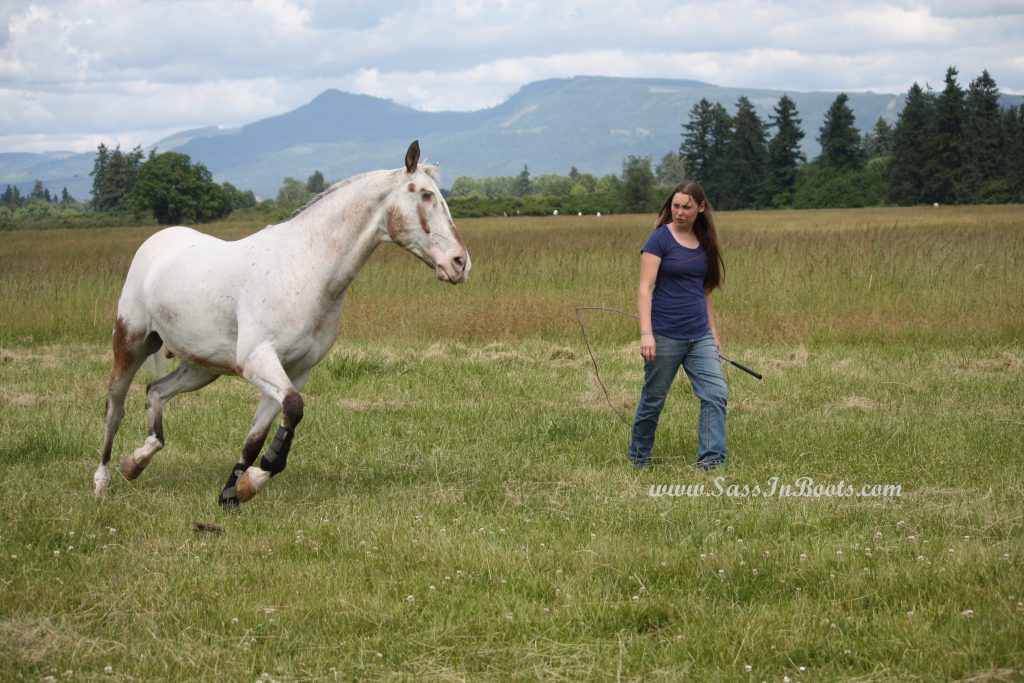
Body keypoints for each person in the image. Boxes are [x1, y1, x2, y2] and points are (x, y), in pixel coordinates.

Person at [628, 180, 728, 470]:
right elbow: (645, 288)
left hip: (699, 336)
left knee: (716, 394)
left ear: (701, 208)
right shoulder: (659, 239)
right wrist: (646, 334)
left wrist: (714, 335)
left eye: (686, 207)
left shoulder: (705, 242)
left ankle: (711, 462)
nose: (680, 212)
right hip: (664, 334)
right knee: (653, 400)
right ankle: (639, 458)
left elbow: (705, 291)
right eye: (675, 206)